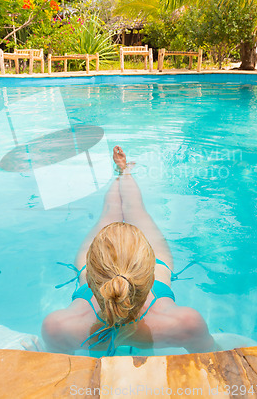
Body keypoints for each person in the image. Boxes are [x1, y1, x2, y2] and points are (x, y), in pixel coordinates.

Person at [42, 146, 215, 356]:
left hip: (87, 303)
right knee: (135, 209)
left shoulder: (57, 327)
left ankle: (120, 172)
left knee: (110, 210)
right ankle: (126, 172)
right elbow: (218, 358)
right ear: (150, 271)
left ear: (90, 272)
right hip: (158, 294)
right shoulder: (187, 324)